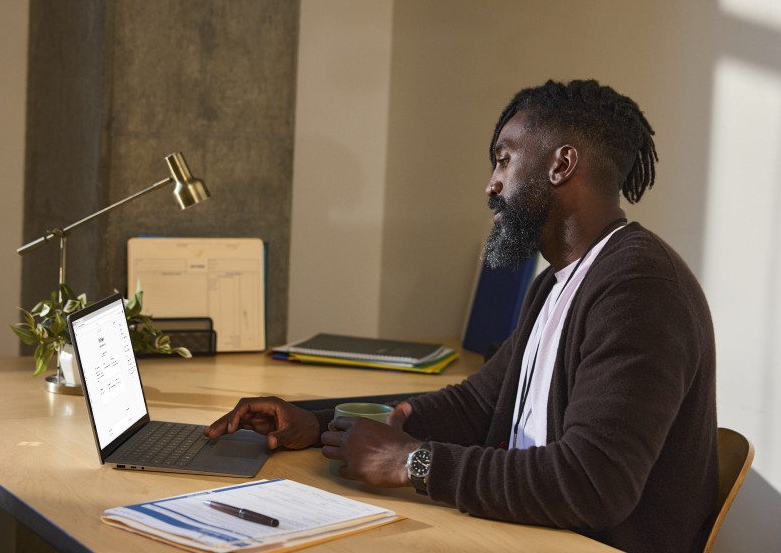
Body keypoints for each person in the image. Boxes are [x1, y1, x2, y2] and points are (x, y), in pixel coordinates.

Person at [205, 79, 718, 553]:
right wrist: (318, 424)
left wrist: (411, 462)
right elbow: (477, 405)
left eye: (503, 159)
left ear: (561, 165)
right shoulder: (559, 283)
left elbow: (593, 485)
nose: (491, 185)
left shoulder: (640, 288)